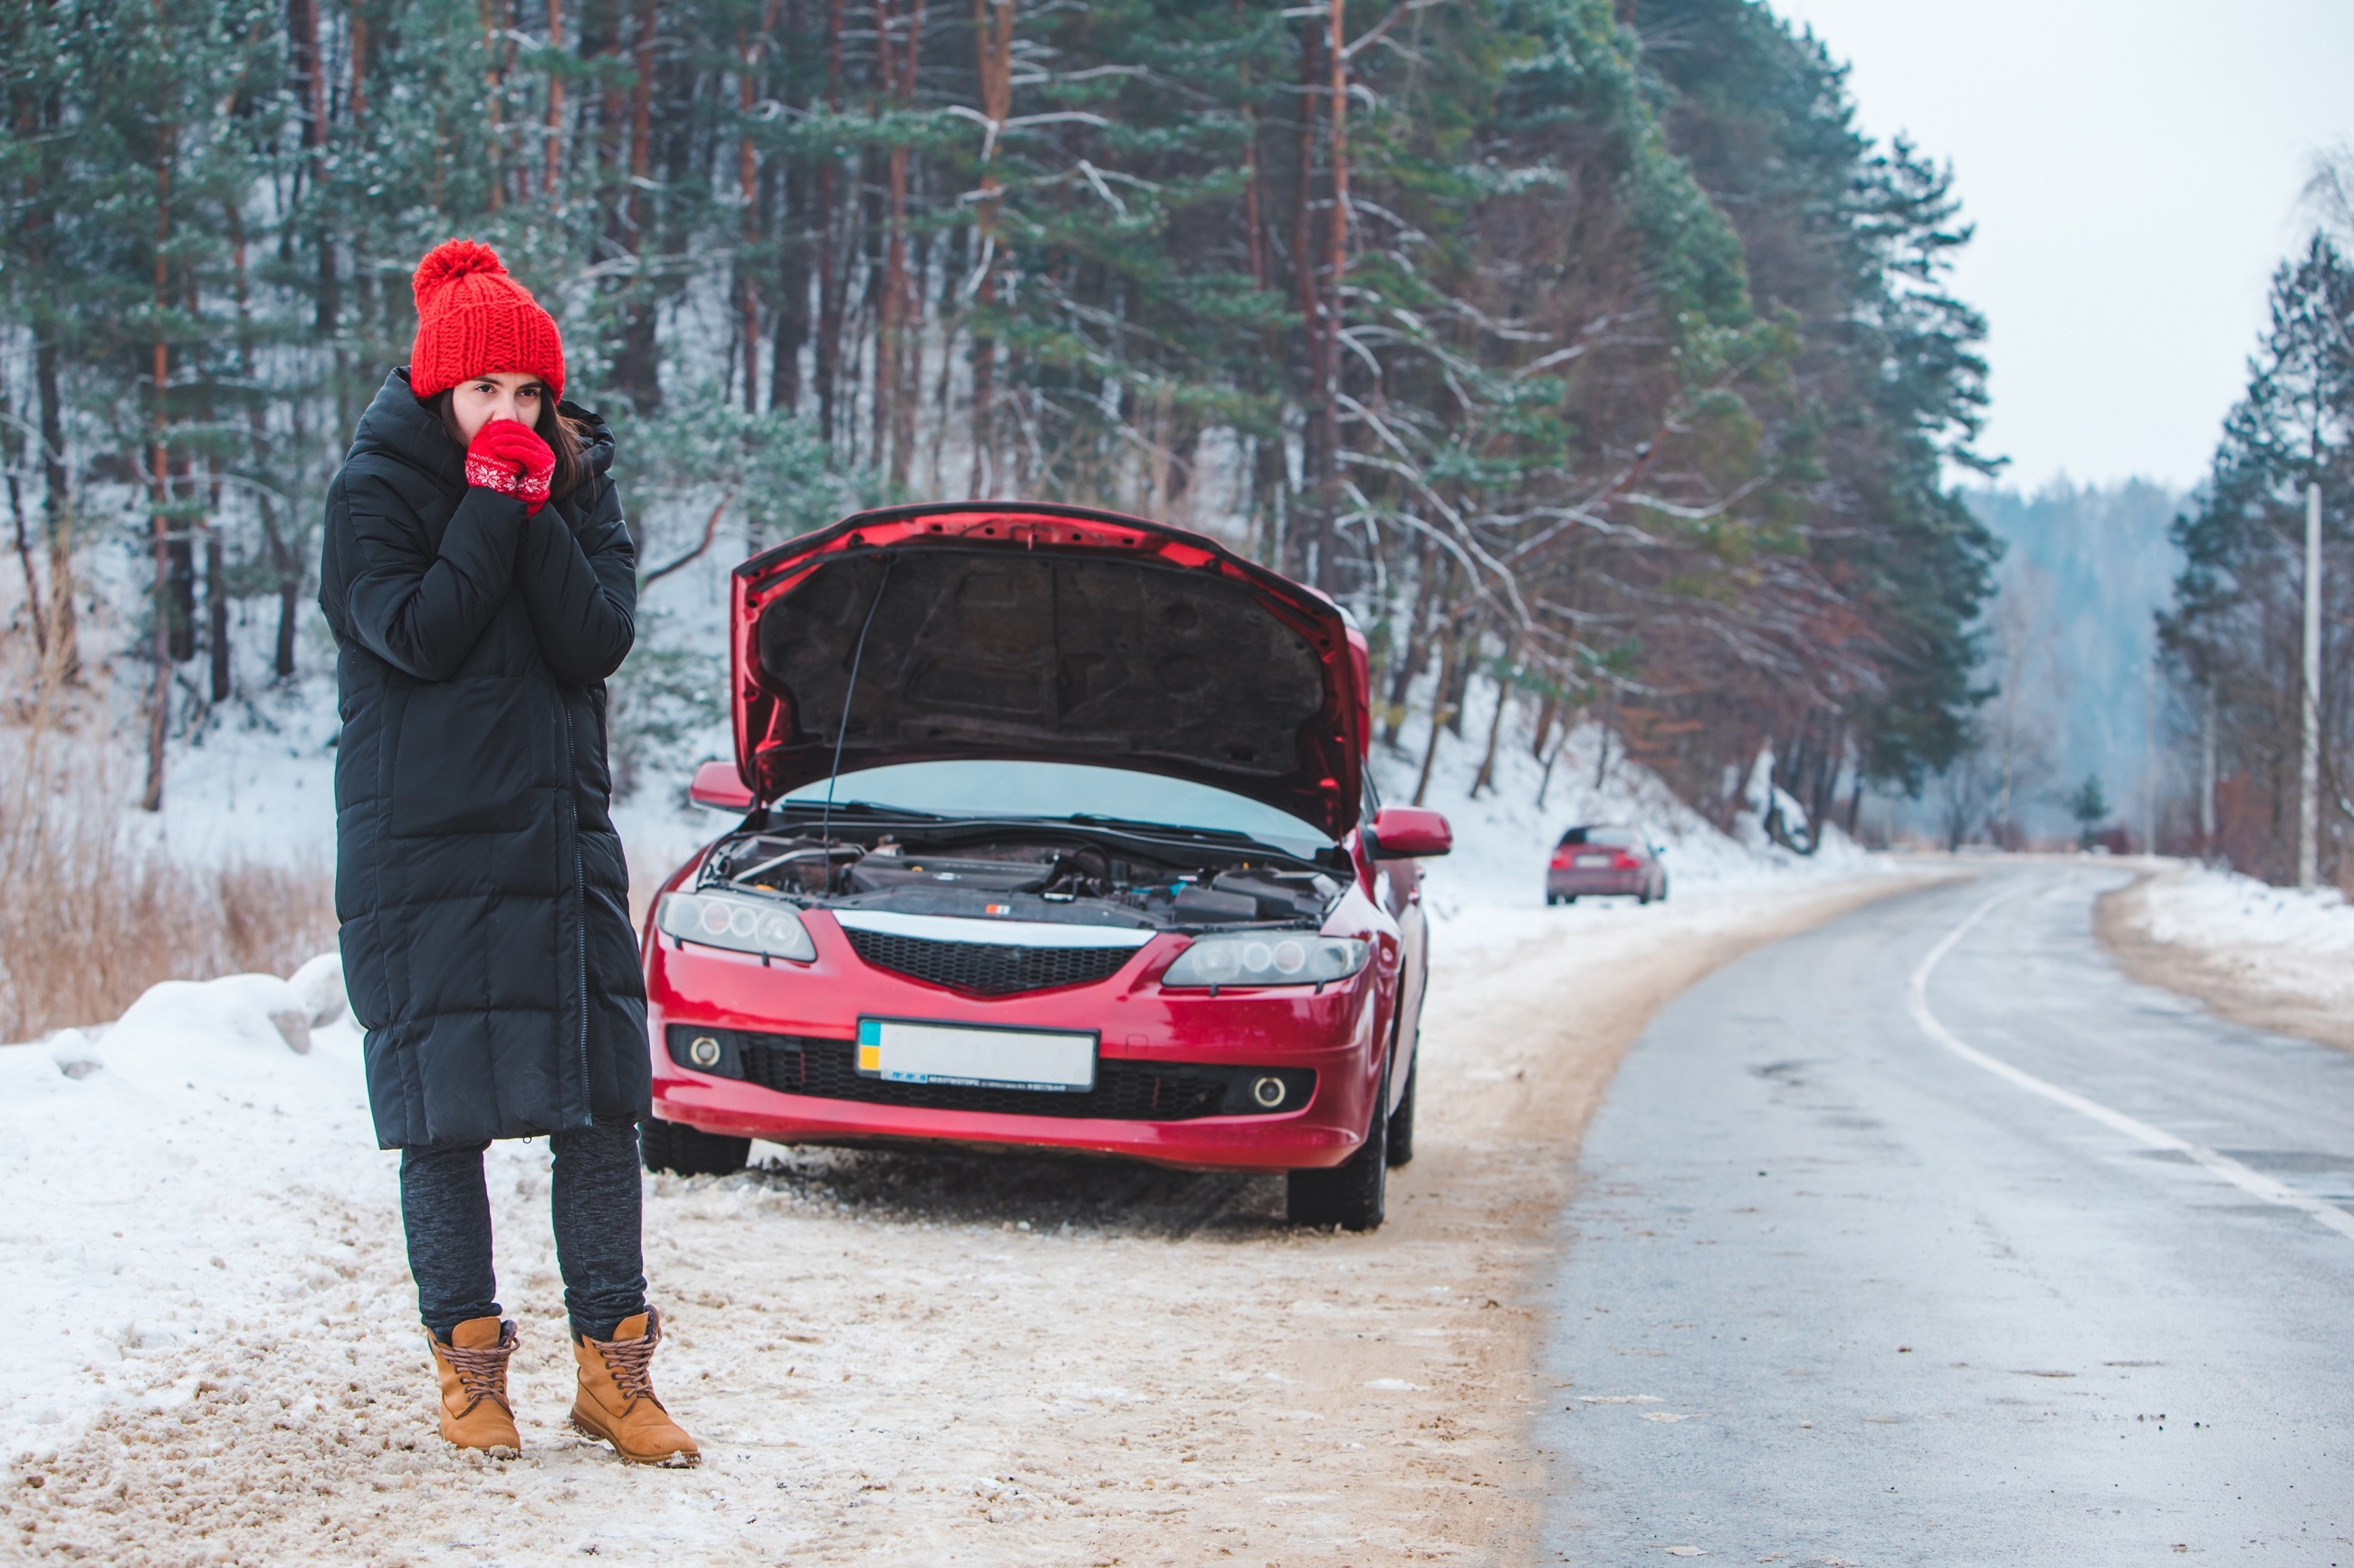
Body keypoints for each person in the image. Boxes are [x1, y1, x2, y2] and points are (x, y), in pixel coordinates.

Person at [318, 238, 694, 1466]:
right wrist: (489, 500)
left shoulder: (580, 482)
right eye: (488, 392)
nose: (515, 413)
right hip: (420, 852)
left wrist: (533, 500)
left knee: (600, 1108)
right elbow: (418, 634)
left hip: (555, 841)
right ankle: (471, 1375)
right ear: (439, 389)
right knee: (444, 1116)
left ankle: (614, 1375)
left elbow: (594, 643)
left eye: (531, 393)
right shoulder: (372, 494)